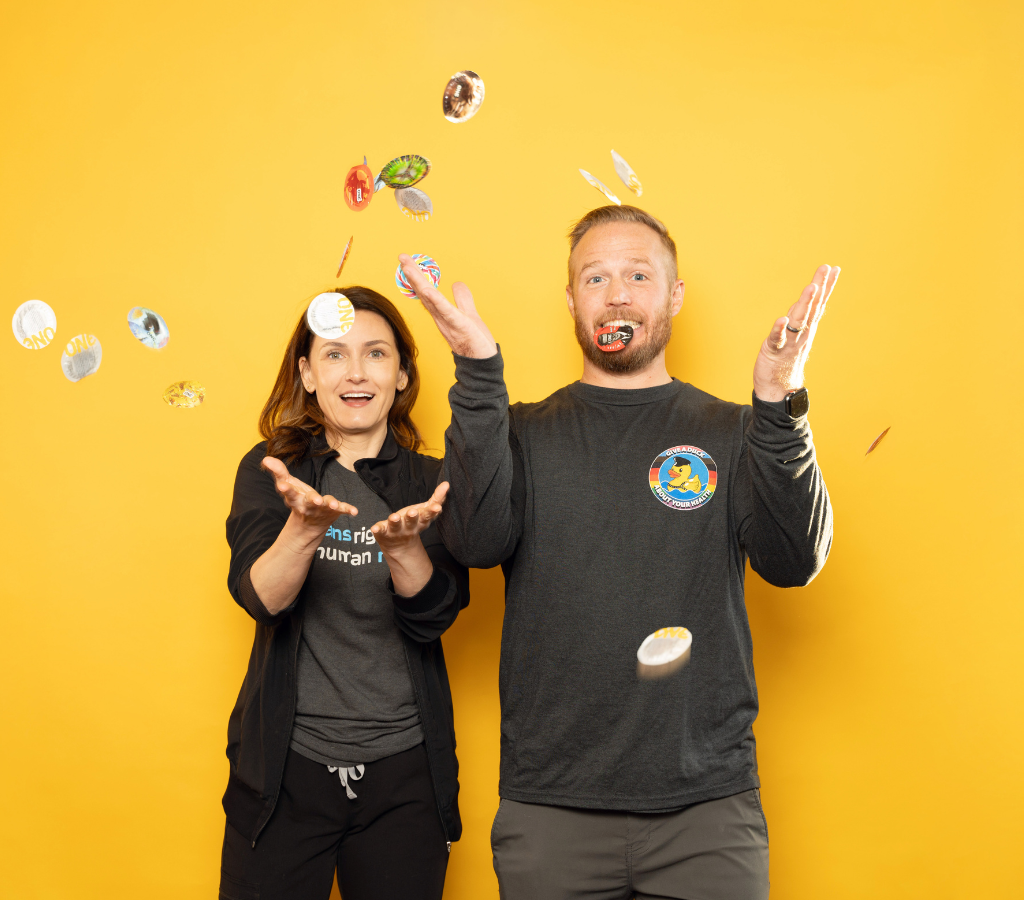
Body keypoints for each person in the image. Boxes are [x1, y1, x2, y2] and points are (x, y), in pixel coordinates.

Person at [399, 204, 837, 900]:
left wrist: (778, 402)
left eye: (639, 274)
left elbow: (794, 561)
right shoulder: (520, 434)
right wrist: (479, 375)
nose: (618, 293)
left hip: (708, 811)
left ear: (674, 295)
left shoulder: (730, 430)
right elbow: (474, 544)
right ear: (572, 299)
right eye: (596, 277)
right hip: (551, 809)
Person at [219, 286, 469, 900]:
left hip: (404, 777)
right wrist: (304, 529)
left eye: (376, 354)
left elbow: (435, 618)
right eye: (334, 355)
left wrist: (405, 548)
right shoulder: (273, 470)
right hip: (283, 772)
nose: (356, 373)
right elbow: (262, 599)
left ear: (402, 372)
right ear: (306, 373)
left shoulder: (429, 480)